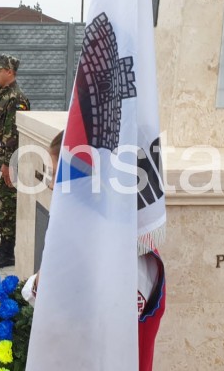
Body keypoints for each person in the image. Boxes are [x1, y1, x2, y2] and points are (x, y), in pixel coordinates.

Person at [21, 130, 166, 371]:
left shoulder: (109, 248)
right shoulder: (124, 233)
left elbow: (62, 311)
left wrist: (40, 283)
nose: (51, 186)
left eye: (58, 176)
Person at [0, 54, 30, 268]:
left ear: (10, 72)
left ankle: (9, 252)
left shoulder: (16, 99)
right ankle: (3, 246)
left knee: (8, 205)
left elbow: (14, 136)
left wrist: (8, 164)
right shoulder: (4, 95)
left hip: (7, 164)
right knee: (0, 204)